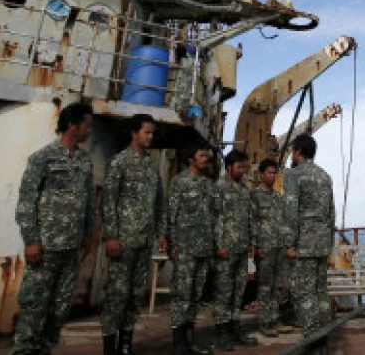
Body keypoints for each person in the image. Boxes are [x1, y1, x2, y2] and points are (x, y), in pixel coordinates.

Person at [11, 102, 95, 355]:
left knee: (58, 312)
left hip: (71, 249)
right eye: (87, 125)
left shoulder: (84, 161)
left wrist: (88, 233)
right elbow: (26, 202)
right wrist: (31, 240)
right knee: (34, 309)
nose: (89, 131)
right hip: (45, 248)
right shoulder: (42, 158)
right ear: (72, 125)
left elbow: (89, 202)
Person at [100, 114, 167, 355]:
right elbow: (108, 202)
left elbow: (159, 202)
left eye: (152, 133)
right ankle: (109, 346)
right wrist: (111, 236)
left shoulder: (151, 165)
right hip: (123, 240)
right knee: (117, 294)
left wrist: (161, 232)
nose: (150, 137)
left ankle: (126, 344)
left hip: (144, 240)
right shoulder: (119, 162)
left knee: (135, 294)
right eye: (146, 132)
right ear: (134, 133)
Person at [282, 134, 335, 355]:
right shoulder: (324, 176)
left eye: (293, 151)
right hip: (322, 242)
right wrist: (329, 242)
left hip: (303, 242)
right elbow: (331, 213)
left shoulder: (294, 175)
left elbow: (291, 211)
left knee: (303, 294)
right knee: (320, 292)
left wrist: (289, 243)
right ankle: (322, 341)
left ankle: (313, 343)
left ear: (298, 152)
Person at [168, 143, 215, 355]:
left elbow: (212, 217)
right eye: (201, 155)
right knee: (182, 295)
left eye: (207, 155)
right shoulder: (180, 182)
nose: (205, 159)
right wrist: (172, 244)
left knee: (195, 296)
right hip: (185, 248)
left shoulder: (207, 184)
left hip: (203, 249)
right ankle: (178, 343)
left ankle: (189, 340)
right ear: (191, 159)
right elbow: (172, 215)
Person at [213, 149, 258, 350]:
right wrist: (218, 244)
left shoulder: (244, 190)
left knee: (239, 290)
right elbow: (215, 218)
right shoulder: (219, 188)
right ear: (229, 167)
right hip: (226, 248)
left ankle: (234, 327)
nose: (243, 170)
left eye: (245, 167)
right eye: (240, 167)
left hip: (241, 248)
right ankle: (222, 332)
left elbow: (249, 218)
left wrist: (250, 243)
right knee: (224, 290)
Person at [250, 158, 293, 338]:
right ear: (261, 175)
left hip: (279, 247)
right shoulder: (255, 196)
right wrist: (255, 244)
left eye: (275, 173)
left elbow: (285, 222)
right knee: (265, 286)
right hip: (265, 247)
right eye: (269, 172)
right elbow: (252, 221)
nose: (273, 176)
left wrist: (288, 244)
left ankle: (275, 319)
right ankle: (264, 321)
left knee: (278, 286)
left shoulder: (279, 198)